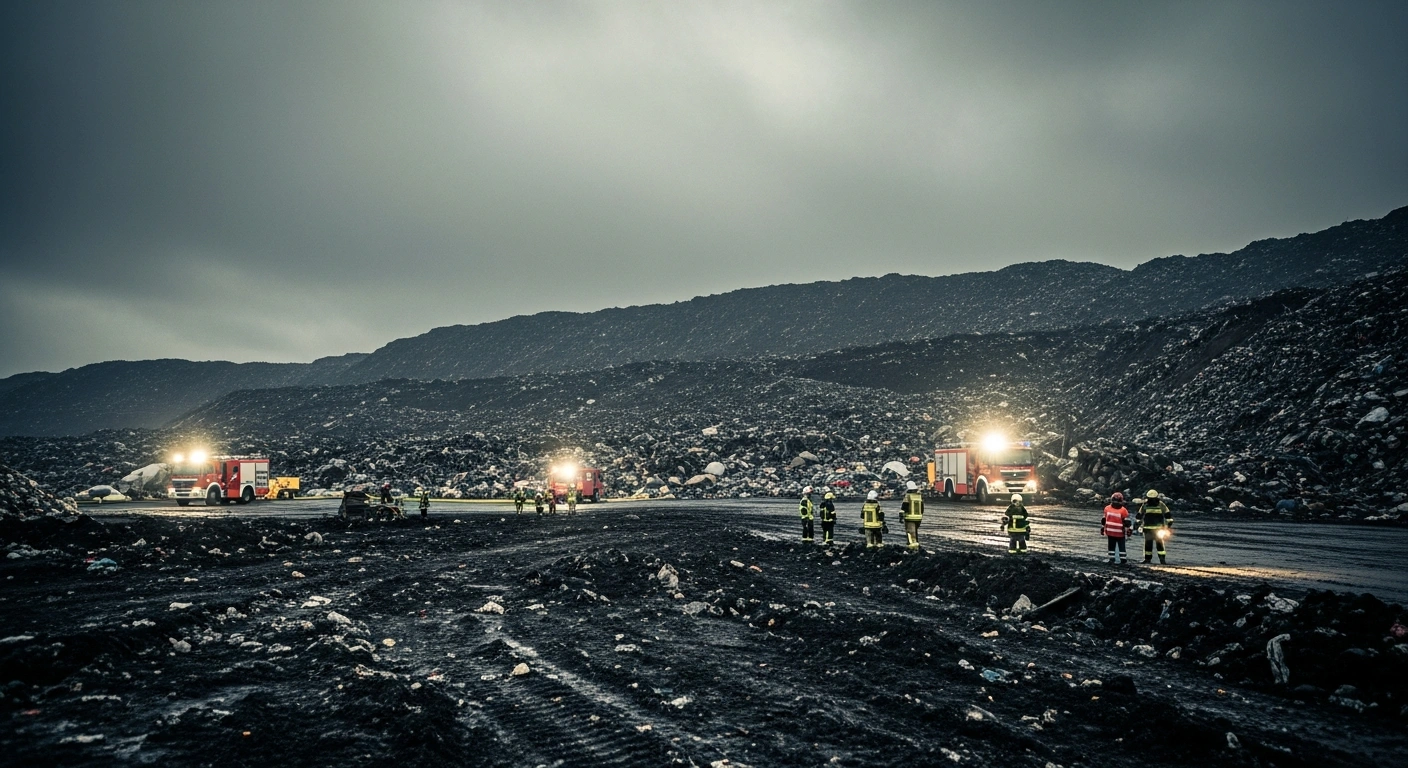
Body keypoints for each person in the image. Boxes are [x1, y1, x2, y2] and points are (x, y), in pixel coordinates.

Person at [1136, 489, 1173, 564]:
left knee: (1148, 545)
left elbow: (1139, 515)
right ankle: (1162, 559)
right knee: (1159, 544)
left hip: (1148, 529)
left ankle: (1148, 559)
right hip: (1158, 529)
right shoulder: (1161, 504)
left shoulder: (1145, 504)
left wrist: (1137, 524)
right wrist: (1169, 525)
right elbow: (1167, 514)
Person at [1101, 492, 1131, 564]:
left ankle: (1111, 559)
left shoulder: (1107, 508)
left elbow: (1104, 520)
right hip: (1120, 533)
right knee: (1121, 546)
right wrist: (1129, 530)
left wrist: (1102, 528)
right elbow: (1127, 523)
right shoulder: (1123, 510)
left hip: (1110, 532)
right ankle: (1123, 559)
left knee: (1111, 546)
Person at [900, 480, 924, 551]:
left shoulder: (908, 496)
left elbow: (904, 507)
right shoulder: (919, 496)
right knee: (915, 532)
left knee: (910, 532)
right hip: (918, 518)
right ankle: (916, 543)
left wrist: (901, 516)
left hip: (909, 518)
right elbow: (922, 507)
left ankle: (911, 546)